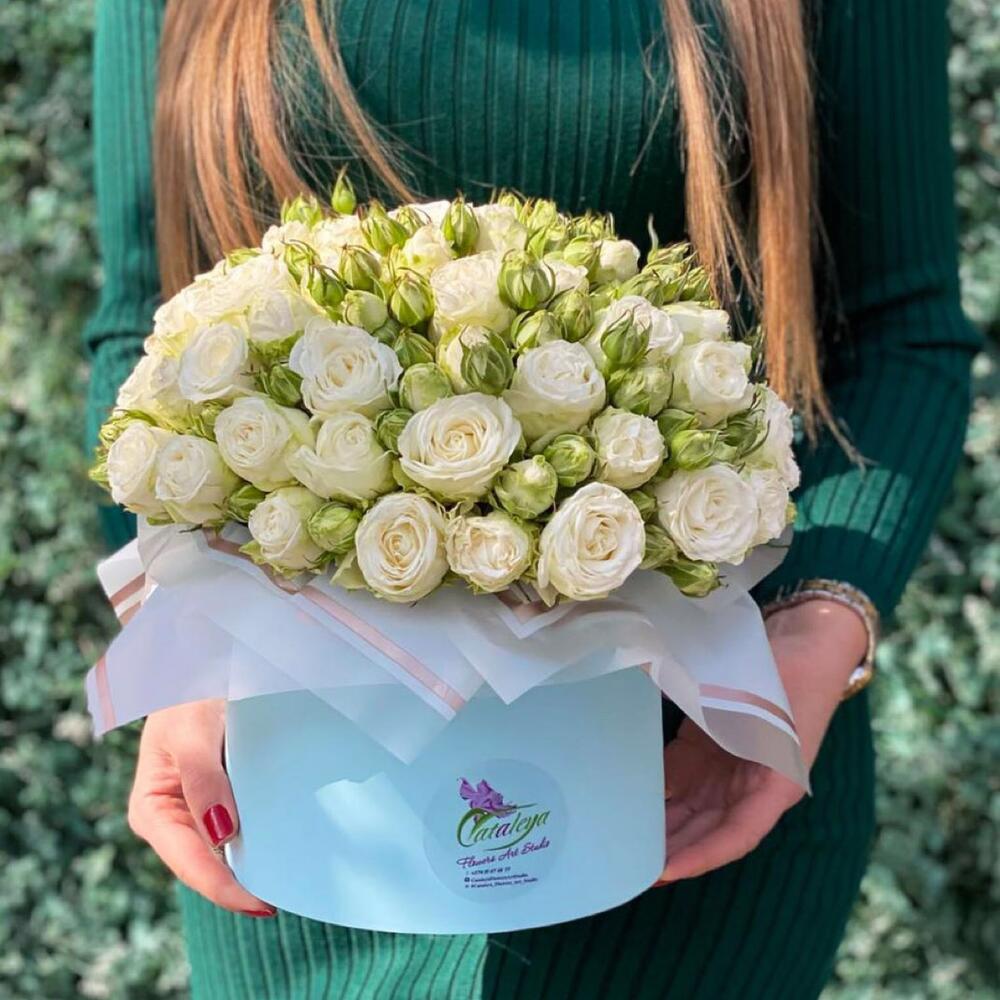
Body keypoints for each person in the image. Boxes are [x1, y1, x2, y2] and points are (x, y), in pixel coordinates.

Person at [84, 1, 979, 996]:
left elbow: (901, 330)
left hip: (684, 772)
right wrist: (179, 635)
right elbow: (141, 327)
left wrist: (817, 629)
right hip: (305, 785)